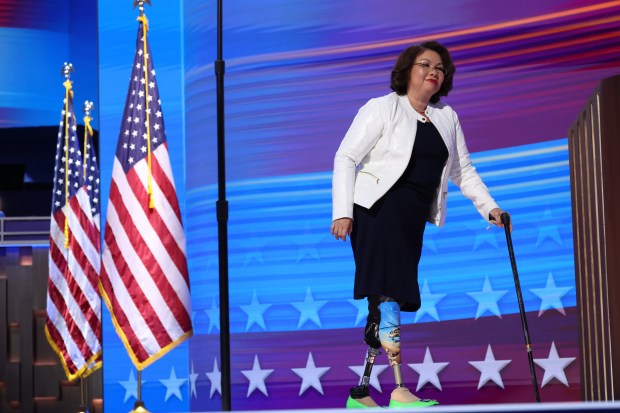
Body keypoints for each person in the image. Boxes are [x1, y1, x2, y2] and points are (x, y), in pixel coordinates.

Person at [330, 40, 511, 408]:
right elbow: (346, 156)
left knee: (385, 302)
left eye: (440, 68)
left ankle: (361, 392)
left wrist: (490, 208)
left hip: (411, 220)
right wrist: (342, 211)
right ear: (407, 70)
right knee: (388, 296)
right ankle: (398, 390)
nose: (433, 71)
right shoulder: (382, 107)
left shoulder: (447, 117)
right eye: (425, 64)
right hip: (376, 211)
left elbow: (463, 171)